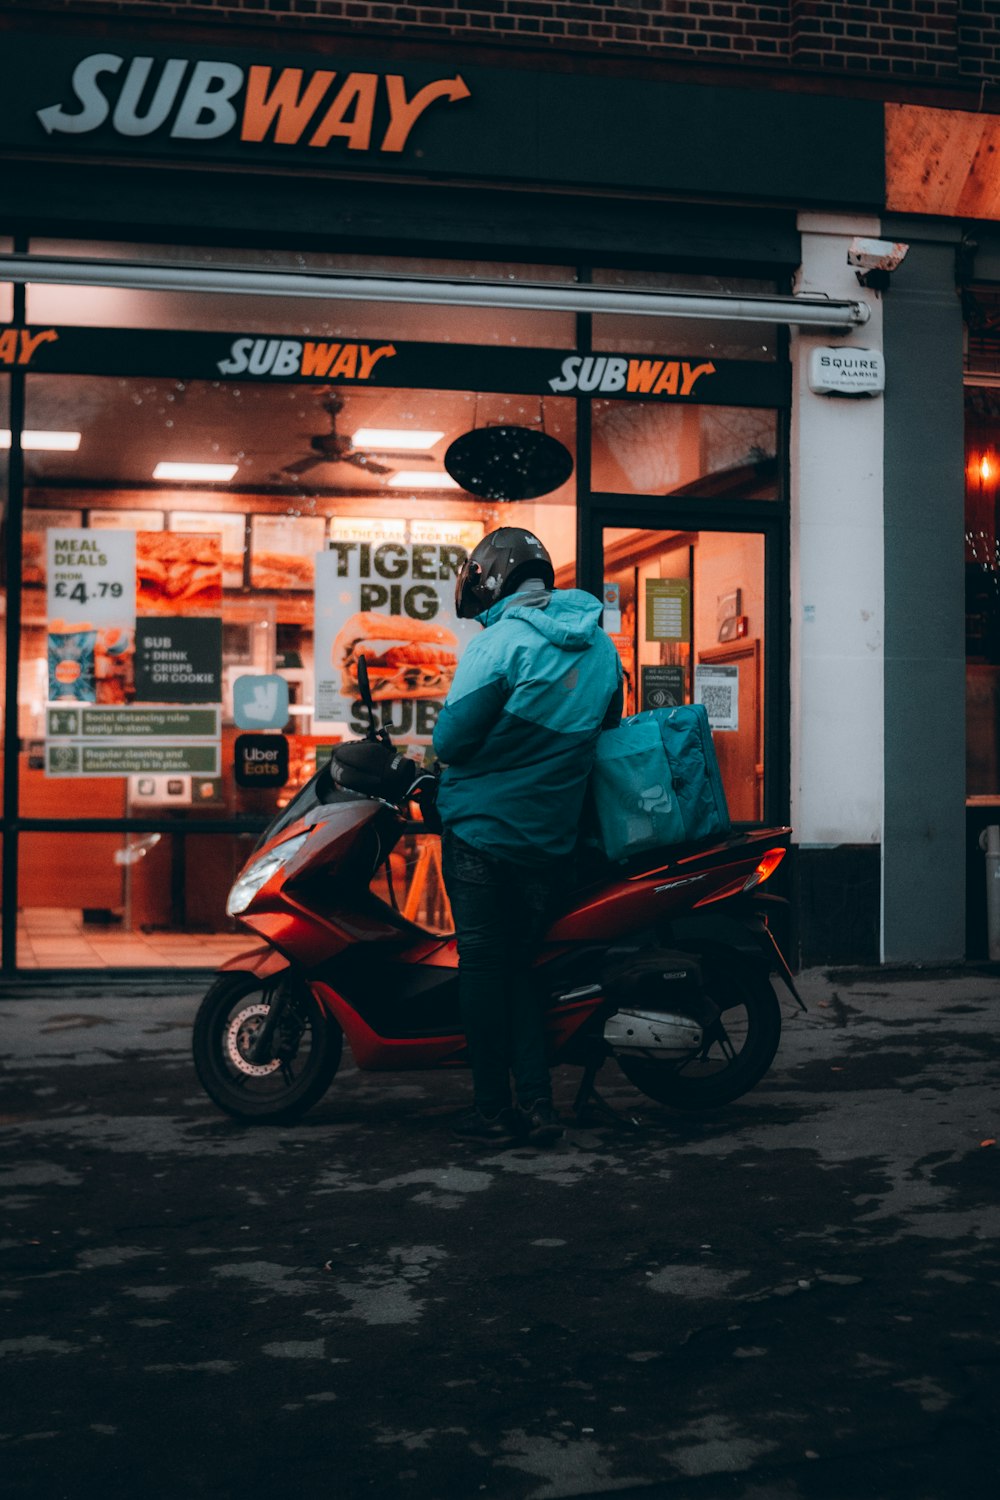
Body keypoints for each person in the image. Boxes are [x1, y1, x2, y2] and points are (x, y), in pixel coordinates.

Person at [432, 527, 623, 1145]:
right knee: (524, 970)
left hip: (481, 838)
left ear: (492, 580)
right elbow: (608, 729)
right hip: (550, 845)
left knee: (484, 970)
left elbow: (450, 742)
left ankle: (493, 1110)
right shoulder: (601, 649)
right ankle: (539, 1106)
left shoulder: (501, 645)